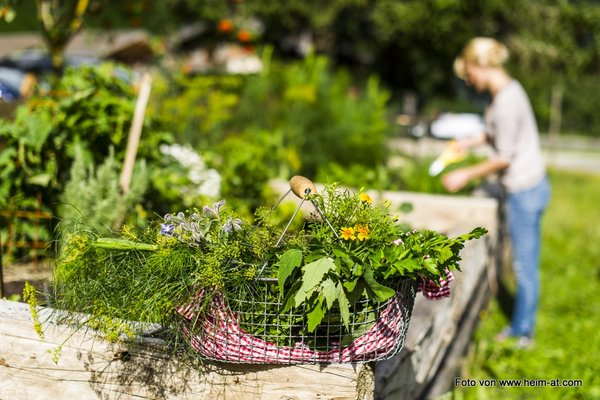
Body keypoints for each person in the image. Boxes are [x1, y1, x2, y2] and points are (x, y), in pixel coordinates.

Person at [443, 37, 551, 348]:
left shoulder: (505, 101)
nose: (469, 82)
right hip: (528, 187)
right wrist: (469, 143)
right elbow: (495, 132)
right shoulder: (506, 92)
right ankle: (521, 325)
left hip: (525, 191)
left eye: (469, 74)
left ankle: (523, 332)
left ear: (479, 66)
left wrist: (465, 173)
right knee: (523, 263)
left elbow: (504, 156)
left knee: (523, 266)